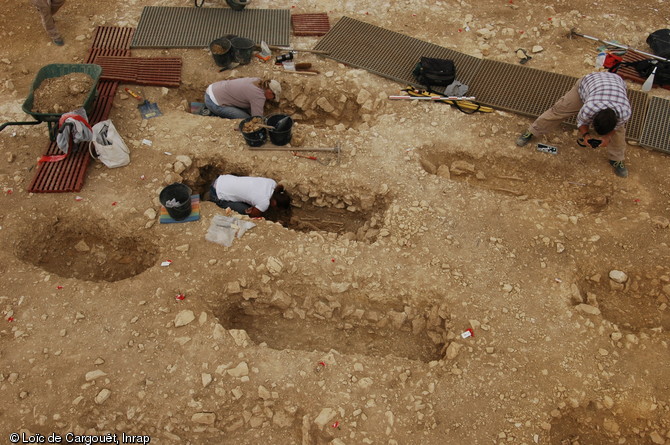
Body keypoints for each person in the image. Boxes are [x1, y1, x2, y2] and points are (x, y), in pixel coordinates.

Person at [515, 72, 632, 178]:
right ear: (594, 117)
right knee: (558, 110)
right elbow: (582, 122)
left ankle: (616, 159)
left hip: (616, 82)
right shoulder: (589, 108)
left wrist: (607, 137)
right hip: (587, 83)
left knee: (619, 133)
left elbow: (616, 128)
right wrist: (586, 135)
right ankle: (532, 131)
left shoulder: (625, 111)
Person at [209, 174, 290, 217]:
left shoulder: (272, 183)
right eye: (277, 209)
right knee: (247, 211)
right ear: (275, 203)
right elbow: (254, 215)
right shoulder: (264, 202)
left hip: (222, 179)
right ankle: (210, 200)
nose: (276, 210)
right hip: (217, 194)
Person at [204, 77, 281, 119]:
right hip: (213, 102)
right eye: (273, 97)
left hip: (213, 88)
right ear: (270, 92)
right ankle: (211, 114)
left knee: (247, 111)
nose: (271, 99)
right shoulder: (259, 96)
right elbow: (256, 119)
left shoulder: (257, 81)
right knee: (246, 119)